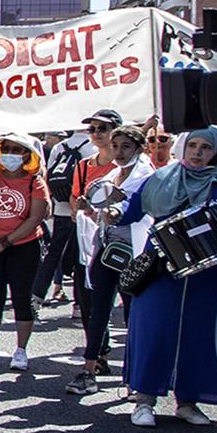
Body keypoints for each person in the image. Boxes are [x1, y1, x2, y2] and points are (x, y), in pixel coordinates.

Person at [115, 126, 217, 427]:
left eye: (206, 147)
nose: (198, 152)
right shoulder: (161, 178)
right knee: (155, 329)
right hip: (161, 270)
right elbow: (131, 209)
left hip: (210, 276)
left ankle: (188, 401)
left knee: (198, 334)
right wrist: (111, 210)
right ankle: (144, 400)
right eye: (193, 145)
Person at [69, 124, 152, 393]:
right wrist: (88, 209)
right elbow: (102, 215)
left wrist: (116, 209)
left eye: (126, 147)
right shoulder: (113, 175)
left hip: (134, 253)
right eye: (115, 146)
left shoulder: (146, 176)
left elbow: (136, 210)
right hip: (107, 250)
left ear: (139, 149)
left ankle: (134, 377)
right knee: (98, 310)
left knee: (133, 315)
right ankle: (88, 370)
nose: (119, 152)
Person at [0, 134, 50, 372]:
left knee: (21, 298)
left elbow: (35, 218)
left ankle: (21, 350)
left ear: (26, 155)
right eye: (6, 149)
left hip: (24, 246)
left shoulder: (34, 182)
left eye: (16, 150)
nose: (10, 154)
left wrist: (7, 242)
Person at [34, 118, 103, 308]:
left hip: (62, 207)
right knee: (83, 256)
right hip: (86, 210)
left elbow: (49, 175)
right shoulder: (93, 149)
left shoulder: (60, 147)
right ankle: (80, 305)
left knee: (54, 253)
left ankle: (36, 299)